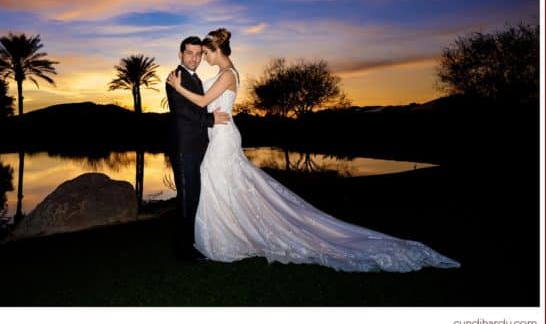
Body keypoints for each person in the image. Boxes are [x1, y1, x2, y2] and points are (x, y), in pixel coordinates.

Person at [166, 28, 460, 272]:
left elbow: (203, 103)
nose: (201, 58)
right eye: (196, 54)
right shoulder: (222, 73)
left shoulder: (228, 74)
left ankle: (229, 237)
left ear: (217, 51)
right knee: (224, 185)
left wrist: (177, 88)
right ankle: (221, 235)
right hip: (217, 136)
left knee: (225, 182)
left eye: (204, 53)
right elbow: (201, 103)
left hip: (223, 137)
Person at [166, 36, 230, 260]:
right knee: (187, 198)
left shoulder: (195, 78)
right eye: (189, 53)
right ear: (180, 55)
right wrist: (211, 120)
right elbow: (185, 112)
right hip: (184, 148)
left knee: (194, 197)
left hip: (197, 147)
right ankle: (183, 250)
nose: (194, 58)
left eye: (198, 54)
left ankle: (190, 243)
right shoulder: (175, 78)